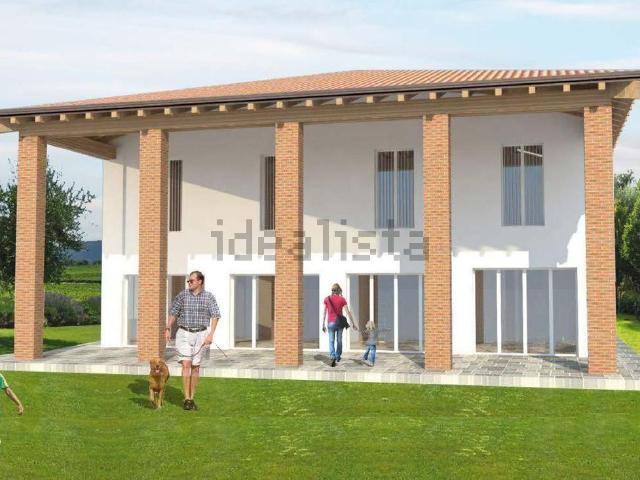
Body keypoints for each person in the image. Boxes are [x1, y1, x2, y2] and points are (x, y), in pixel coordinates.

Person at [166, 270, 220, 411]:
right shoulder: (182, 295)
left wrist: (211, 335)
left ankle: (191, 397)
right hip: (184, 333)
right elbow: (173, 312)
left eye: (191, 281)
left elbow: (215, 315)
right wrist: (168, 327)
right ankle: (187, 399)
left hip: (201, 334)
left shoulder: (209, 297)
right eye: (188, 281)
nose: (189, 283)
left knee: (196, 367)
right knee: (186, 364)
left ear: (200, 281)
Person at [322, 283, 357, 367]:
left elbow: (324, 312)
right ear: (338, 290)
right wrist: (353, 323)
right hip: (339, 323)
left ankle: (332, 356)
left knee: (331, 340)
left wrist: (323, 324)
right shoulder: (342, 299)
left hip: (330, 323)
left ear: (332, 290)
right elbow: (348, 312)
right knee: (339, 340)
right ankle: (338, 356)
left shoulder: (327, 299)